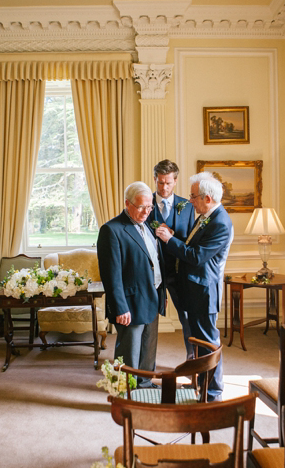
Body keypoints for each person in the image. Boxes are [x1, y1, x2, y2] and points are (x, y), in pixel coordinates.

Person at [155, 172, 233, 402]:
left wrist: (169, 240)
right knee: (199, 342)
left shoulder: (220, 222)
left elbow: (197, 256)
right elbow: (191, 242)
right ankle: (202, 385)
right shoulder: (207, 215)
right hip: (195, 289)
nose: (190, 201)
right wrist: (174, 235)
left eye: (193, 196)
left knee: (209, 344)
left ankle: (213, 393)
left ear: (207, 198)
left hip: (204, 292)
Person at [98, 182, 166, 386]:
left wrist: (162, 295)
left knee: (148, 347)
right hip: (130, 302)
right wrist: (120, 307)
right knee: (129, 351)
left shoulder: (146, 224)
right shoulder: (112, 230)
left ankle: (145, 384)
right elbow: (111, 275)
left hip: (152, 297)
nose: (146, 212)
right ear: (127, 204)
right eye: (141, 207)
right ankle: (126, 390)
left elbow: (155, 263)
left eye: (149, 207)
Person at [146, 159, 197, 360]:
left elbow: (191, 240)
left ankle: (192, 358)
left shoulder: (187, 206)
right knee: (149, 318)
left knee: (186, 316)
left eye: (168, 182)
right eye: (160, 182)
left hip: (178, 271)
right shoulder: (145, 203)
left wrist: (172, 237)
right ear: (155, 180)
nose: (164, 187)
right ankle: (145, 364)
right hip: (152, 273)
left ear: (175, 181)